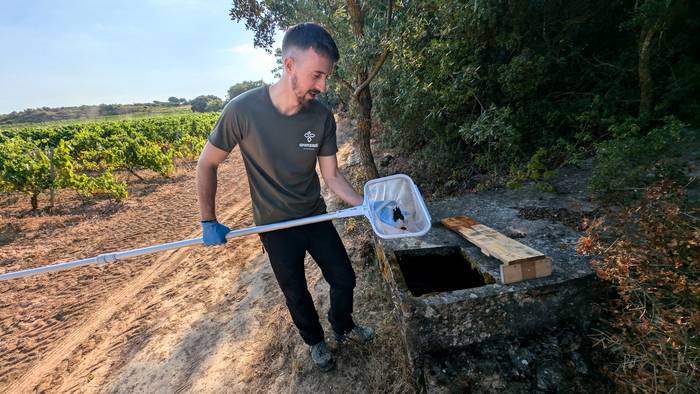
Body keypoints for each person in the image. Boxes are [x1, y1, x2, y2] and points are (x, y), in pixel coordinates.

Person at [196, 22, 374, 372]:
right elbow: (207, 163)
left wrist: (365, 205)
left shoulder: (322, 118)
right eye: (317, 75)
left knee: (344, 278)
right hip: (274, 226)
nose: (322, 87)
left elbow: (333, 176)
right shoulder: (242, 111)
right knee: (296, 292)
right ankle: (315, 342)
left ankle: (343, 326)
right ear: (289, 65)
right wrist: (208, 220)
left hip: (313, 215)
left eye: (326, 77)